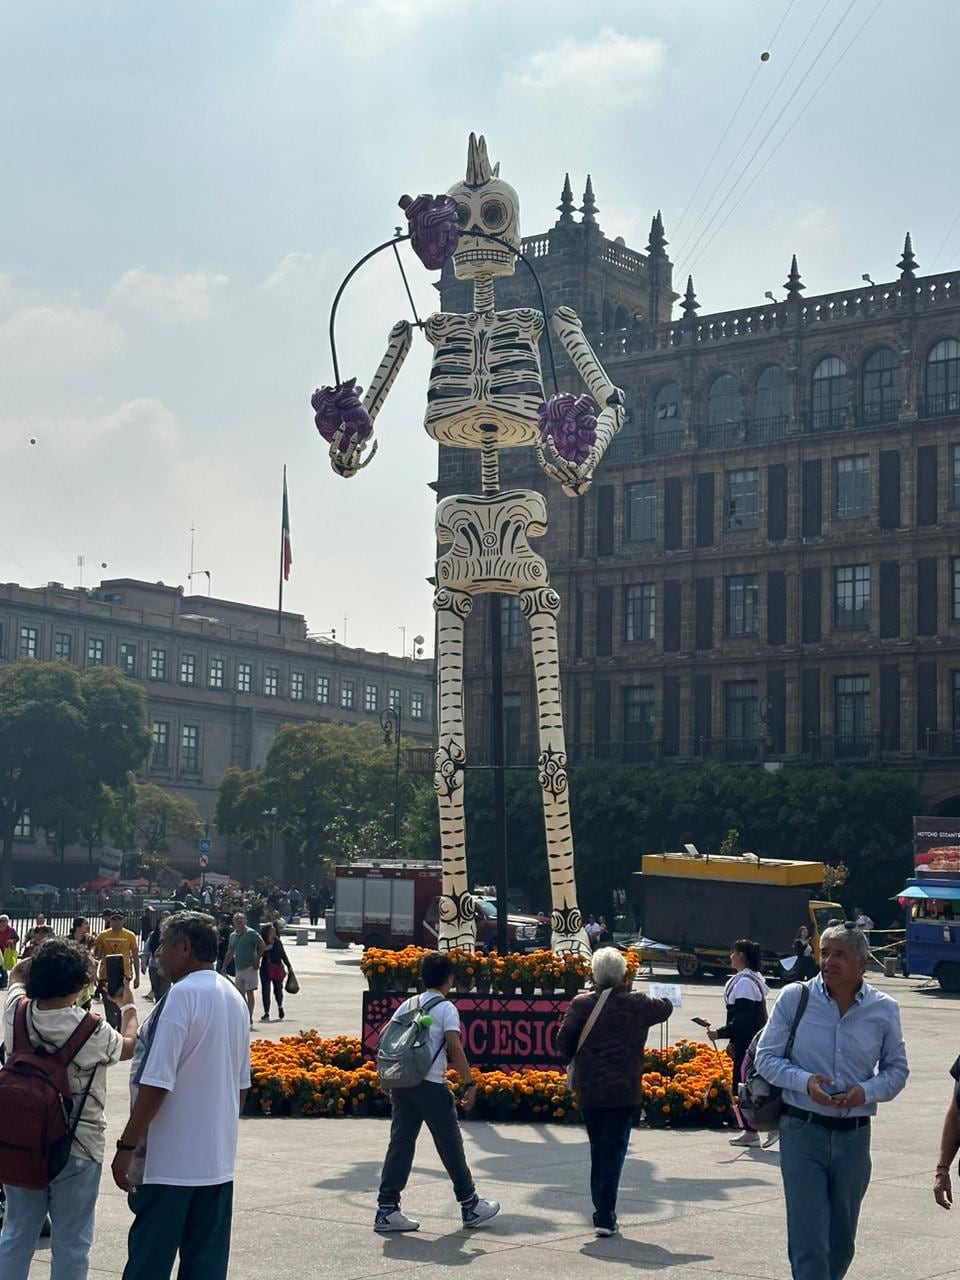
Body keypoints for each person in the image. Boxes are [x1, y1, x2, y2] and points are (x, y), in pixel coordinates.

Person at [754, 923, 909, 1280]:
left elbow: (897, 1070)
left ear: (861, 964)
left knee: (841, 1242)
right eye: (824, 952)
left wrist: (865, 1092)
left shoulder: (884, 1009)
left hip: (854, 1138)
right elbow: (766, 1058)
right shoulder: (796, 998)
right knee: (809, 1241)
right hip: (801, 1131)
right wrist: (805, 1082)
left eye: (840, 954)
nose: (828, 961)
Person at [112, 911, 250, 1280]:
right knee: (205, 1266)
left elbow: (156, 1082)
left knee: (148, 1263)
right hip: (216, 1165)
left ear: (185, 947)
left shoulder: (181, 997)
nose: (157, 952)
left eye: (163, 943)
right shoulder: (233, 997)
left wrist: (126, 1147)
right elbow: (241, 1088)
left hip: (169, 1165)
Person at [0, 938, 139, 1280]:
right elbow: (129, 1047)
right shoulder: (92, 1029)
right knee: (72, 1242)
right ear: (80, 984)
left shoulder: (16, 1010)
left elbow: (16, 975)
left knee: (16, 1234)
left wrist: (30, 966)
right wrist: (129, 1008)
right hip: (77, 1145)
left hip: (18, 1142)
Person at [375, 950, 500, 1233]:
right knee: (450, 1146)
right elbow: (454, 1047)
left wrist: (385, 1076)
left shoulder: (409, 1003)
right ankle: (470, 1205)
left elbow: (385, 1039)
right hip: (431, 1085)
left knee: (400, 1144)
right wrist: (469, 1082)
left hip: (403, 1085)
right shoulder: (446, 1009)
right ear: (449, 979)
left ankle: (387, 1209)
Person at [558, 946, 672, 1237]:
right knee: (614, 1149)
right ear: (623, 974)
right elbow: (666, 1007)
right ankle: (605, 1214)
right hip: (624, 1088)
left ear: (594, 974)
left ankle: (603, 1209)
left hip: (590, 1087)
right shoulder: (638, 1003)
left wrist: (578, 1059)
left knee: (599, 1147)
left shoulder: (582, 1003)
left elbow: (563, 1041)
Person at [705, 938, 770, 1148]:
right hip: (746, 1041)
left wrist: (721, 1033)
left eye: (733, 953)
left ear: (742, 956)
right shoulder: (750, 979)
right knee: (746, 1085)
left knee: (747, 1086)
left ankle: (768, 1129)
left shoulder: (744, 983)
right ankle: (751, 1132)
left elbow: (744, 1020)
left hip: (749, 1042)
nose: (730, 957)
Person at [93, 912, 141, 1030]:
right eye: (114, 920)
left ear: (123, 921)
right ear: (110, 921)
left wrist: (137, 977)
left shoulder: (130, 935)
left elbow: (135, 956)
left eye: (119, 920)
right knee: (109, 1005)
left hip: (123, 975)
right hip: (106, 975)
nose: (116, 922)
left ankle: (121, 1030)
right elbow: (97, 956)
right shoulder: (103, 935)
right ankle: (110, 1028)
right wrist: (94, 974)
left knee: (122, 1005)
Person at [220, 911, 264, 1028]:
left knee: (249, 992)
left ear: (245, 921)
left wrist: (257, 959)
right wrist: (224, 966)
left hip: (250, 966)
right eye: (236, 919)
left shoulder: (251, 933)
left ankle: (249, 1017)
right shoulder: (233, 935)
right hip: (238, 967)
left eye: (241, 919)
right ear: (233, 922)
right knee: (240, 994)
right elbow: (230, 952)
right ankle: (242, 1015)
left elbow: (262, 945)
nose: (239, 921)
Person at [258, 922, 293, 1021]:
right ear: (267, 931)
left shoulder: (277, 941)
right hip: (265, 968)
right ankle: (266, 1012)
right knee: (266, 991)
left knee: (278, 989)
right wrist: (264, 949)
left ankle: (280, 1006)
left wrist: (289, 965)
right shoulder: (262, 941)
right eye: (272, 929)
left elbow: (283, 954)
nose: (274, 930)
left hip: (277, 968)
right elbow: (256, 953)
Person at [144, 912, 171, 1004]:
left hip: (167, 966)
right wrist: (143, 964)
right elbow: (146, 950)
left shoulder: (172, 937)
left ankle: (162, 1007)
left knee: (164, 990)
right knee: (156, 989)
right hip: (153, 966)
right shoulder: (153, 935)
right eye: (162, 923)